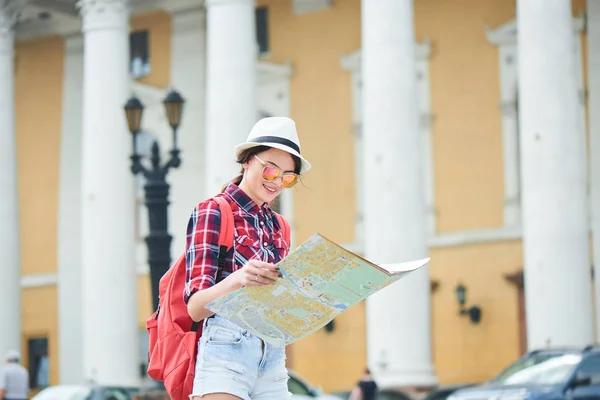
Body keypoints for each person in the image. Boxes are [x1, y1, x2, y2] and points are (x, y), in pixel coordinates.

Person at [185, 117, 311, 400]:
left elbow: (276, 305)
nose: (277, 182)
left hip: (273, 356)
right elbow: (194, 308)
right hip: (225, 349)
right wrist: (239, 279)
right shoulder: (214, 211)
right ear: (246, 161)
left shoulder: (281, 225)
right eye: (270, 170)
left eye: (287, 177)